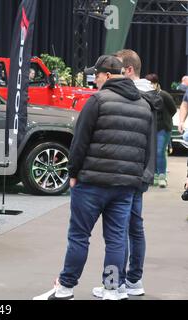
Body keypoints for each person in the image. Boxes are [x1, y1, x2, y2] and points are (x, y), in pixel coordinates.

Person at [34, 55, 153, 300]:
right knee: (116, 240)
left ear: (107, 75)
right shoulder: (143, 105)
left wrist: (73, 173)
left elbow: (80, 141)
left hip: (91, 184)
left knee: (79, 236)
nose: (94, 79)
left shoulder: (97, 100)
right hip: (125, 187)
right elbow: (146, 150)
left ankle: (65, 287)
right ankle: (112, 288)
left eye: (96, 75)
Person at [92, 49, 162, 300]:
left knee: (118, 231)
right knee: (133, 228)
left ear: (128, 70)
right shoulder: (149, 97)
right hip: (140, 170)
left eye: (118, 68)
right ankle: (132, 280)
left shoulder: (135, 97)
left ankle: (116, 283)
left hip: (128, 172)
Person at [145, 73, 177, 187]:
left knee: (159, 151)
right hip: (150, 128)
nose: (151, 86)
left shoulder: (164, 95)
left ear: (157, 83)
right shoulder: (145, 95)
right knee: (151, 152)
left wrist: (166, 120)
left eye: (153, 83)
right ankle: (154, 175)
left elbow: (173, 109)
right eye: (149, 83)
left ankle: (162, 176)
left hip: (163, 128)